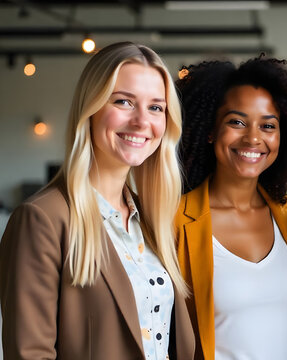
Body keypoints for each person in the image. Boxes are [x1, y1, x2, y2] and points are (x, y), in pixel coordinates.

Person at [0, 42, 194, 359]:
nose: (142, 121)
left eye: (156, 107)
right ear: (90, 109)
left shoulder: (151, 220)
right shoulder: (42, 219)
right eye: (123, 102)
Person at [175, 56, 287, 360]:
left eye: (268, 125)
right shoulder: (174, 220)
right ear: (209, 129)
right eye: (237, 122)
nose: (253, 138)